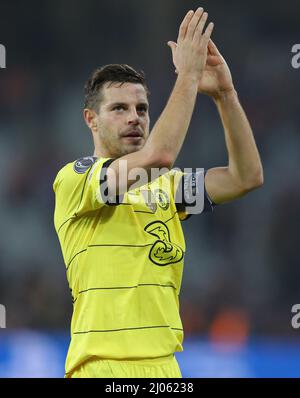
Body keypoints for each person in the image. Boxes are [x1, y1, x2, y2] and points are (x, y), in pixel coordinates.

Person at [53, 8, 263, 378]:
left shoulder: (167, 188)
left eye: (142, 108)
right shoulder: (76, 180)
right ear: (91, 119)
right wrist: (188, 76)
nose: (135, 117)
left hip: (166, 369)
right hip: (102, 368)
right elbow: (160, 155)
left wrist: (225, 95)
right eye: (119, 108)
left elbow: (245, 177)